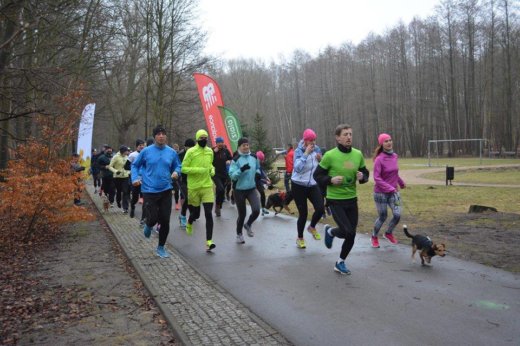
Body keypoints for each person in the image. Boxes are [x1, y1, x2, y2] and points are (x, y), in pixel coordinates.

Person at [314, 124, 369, 275]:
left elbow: (365, 172)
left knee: (351, 233)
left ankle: (339, 259)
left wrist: (362, 177)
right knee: (348, 232)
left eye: (350, 134)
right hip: (335, 199)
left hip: (352, 199)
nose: (348, 137)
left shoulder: (357, 154)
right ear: (338, 137)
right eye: (345, 134)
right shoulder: (330, 155)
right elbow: (317, 176)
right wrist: (330, 180)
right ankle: (334, 240)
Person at [131, 125, 181, 258]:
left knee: (165, 220)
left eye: (163, 134)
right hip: (149, 190)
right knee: (153, 218)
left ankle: (160, 247)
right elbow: (135, 165)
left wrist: (176, 171)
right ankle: (149, 224)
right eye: (158, 134)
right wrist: (135, 178)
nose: (161, 136)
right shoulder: (146, 151)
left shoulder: (171, 152)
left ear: (166, 136)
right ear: (154, 137)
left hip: (166, 189)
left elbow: (177, 165)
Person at [181, 129, 216, 252]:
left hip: (207, 186)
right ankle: (190, 221)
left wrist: (212, 170)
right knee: (196, 214)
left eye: (205, 138)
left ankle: (209, 242)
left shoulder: (210, 151)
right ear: (197, 139)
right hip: (194, 187)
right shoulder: (191, 152)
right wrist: (198, 170)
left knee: (208, 214)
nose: (204, 140)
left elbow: (210, 164)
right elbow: (184, 168)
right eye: (201, 138)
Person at [291, 129, 324, 249]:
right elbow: (297, 168)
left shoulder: (317, 149)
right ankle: (300, 238)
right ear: (305, 141)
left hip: (312, 184)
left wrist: (321, 160)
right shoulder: (298, 151)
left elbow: (322, 166)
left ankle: (312, 227)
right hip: (298, 185)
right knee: (303, 214)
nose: (313, 143)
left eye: (314, 140)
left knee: (320, 208)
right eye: (310, 140)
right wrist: (305, 154)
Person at [371, 133, 405, 248]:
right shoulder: (379, 159)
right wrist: (390, 187)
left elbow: (394, 173)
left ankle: (388, 233)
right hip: (380, 193)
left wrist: (400, 182)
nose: (389, 142)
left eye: (390, 140)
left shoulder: (395, 156)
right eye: (386, 141)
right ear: (381, 144)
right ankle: (374, 236)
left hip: (393, 193)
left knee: (397, 214)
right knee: (383, 216)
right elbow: (377, 178)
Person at [229, 137, 261, 244]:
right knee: (242, 214)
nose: (246, 147)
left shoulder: (254, 157)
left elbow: (257, 167)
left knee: (256, 210)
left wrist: (258, 173)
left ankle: (248, 224)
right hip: (239, 190)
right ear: (239, 147)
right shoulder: (236, 159)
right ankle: (239, 234)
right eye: (244, 145)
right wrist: (241, 170)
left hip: (251, 188)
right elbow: (232, 176)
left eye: (247, 145)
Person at [212, 136, 232, 217]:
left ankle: (219, 205)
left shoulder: (226, 151)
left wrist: (228, 161)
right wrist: (214, 152)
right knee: (220, 189)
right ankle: (217, 206)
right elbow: (208, 160)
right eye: (218, 142)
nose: (220, 144)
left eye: (221, 142)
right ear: (216, 143)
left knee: (221, 190)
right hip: (215, 174)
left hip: (224, 174)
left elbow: (231, 158)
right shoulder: (212, 150)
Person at [177, 138, 195, 228]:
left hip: (192, 179)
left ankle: (191, 213)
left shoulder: (196, 153)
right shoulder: (180, 154)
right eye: (189, 147)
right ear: (185, 147)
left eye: (193, 147)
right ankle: (183, 216)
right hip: (182, 179)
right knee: (187, 197)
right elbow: (178, 166)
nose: (191, 149)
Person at [109, 145, 131, 213]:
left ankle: (125, 208)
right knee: (118, 191)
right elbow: (110, 166)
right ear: (122, 151)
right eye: (126, 151)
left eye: (127, 151)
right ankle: (118, 201)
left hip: (125, 177)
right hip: (117, 177)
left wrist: (129, 172)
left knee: (125, 192)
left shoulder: (128, 157)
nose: (127, 152)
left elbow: (129, 167)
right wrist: (116, 171)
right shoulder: (116, 157)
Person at [127, 139, 145, 219]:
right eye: (140, 145)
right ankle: (133, 206)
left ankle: (144, 216)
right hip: (135, 179)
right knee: (135, 197)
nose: (141, 147)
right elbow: (126, 166)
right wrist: (133, 170)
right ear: (136, 146)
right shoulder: (132, 155)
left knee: (146, 196)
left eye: (142, 145)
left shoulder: (146, 154)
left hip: (145, 179)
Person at [255, 151, 271, 216]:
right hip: (253, 181)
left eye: (262, 160)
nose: (262, 161)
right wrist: (265, 181)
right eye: (261, 160)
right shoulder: (254, 165)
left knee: (262, 193)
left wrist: (267, 177)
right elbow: (257, 177)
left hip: (258, 181)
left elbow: (262, 172)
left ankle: (263, 209)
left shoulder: (259, 164)